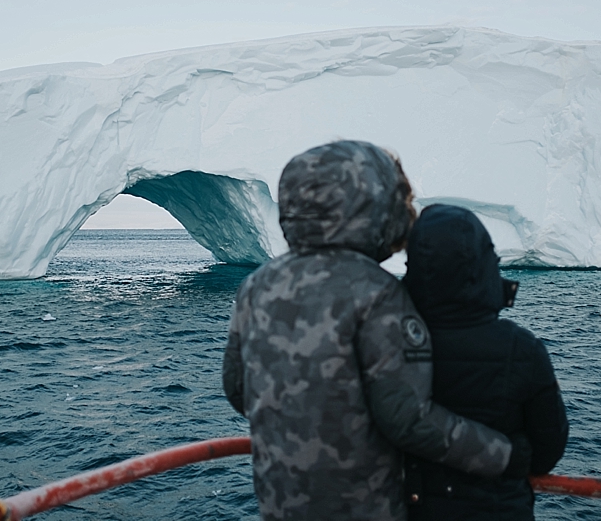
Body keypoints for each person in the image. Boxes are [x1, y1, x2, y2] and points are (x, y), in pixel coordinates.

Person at [222, 141, 529, 521]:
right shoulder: (378, 294)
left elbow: (237, 388)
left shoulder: (256, 286)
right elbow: (407, 419)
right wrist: (504, 454)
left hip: (280, 503)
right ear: (372, 207)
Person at [402, 204, 569, 521]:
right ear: (485, 265)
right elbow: (547, 453)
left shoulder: (388, 343)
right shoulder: (522, 349)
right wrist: (514, 449)